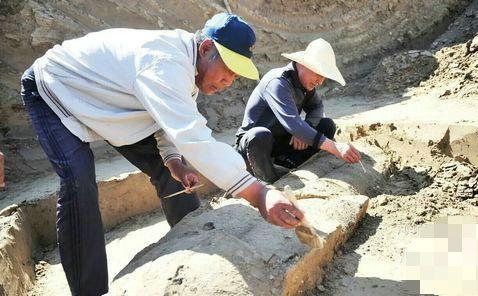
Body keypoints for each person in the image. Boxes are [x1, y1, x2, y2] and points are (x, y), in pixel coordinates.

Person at [21, 13, 303, 296]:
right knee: (79, 183)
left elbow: (170, 121)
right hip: (55, 89)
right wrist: (259, 193)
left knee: (174, 171)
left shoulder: (187, 66)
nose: (229, 80)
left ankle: (196, 237)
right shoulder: (164, 63)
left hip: (111, 99)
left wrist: (172, 160)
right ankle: (90, 291)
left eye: (236, 74)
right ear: (206, 49)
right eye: (227, 69)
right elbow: (193, 137)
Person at [235, 38, 361, 183]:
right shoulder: (278, 82)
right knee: (259, 135)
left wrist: (307, 128)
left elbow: (317, 107)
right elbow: (293, 124)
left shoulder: (306, 85)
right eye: (318, 74)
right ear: (302, 64)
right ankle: (267, 178)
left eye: (323, 77)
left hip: (280, 142)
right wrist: (335, 147)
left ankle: (288, 164)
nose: (320, 81)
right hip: (253, 147)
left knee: (326, 125)